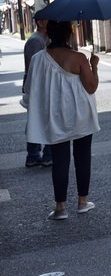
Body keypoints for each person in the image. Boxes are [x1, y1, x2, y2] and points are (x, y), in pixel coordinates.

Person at [25, 20, 101, 220]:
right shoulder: (79, 58)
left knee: (60, 160)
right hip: (81, 114)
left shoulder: (37, 59)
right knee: (83, 156)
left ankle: (60, 207)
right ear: (68, 34)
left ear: (48, 34)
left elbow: (31, 89)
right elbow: (91, 87)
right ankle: (83, 202)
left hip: (55, 115)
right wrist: (94, 66)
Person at [22, 17, 51, 168]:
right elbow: (34, 67)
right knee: (38, 119)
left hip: (38, 84)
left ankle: (36, 155)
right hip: (36, 85)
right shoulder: (35, 41)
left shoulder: (43, 39)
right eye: (47, 20)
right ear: (40, 22)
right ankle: (35, 155)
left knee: (38, 118)